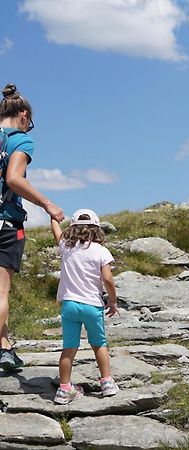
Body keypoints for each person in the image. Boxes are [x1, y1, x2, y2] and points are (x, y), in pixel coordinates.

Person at [0, 83, 64, 371]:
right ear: (24, 116)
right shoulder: (20, 140)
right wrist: (47, 204)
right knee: (0, 293)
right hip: (6, 222)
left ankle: (5, 347)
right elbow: (14, 178)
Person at [50, 209, 119, 404]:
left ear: (72, 228)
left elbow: (56, 232)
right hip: (92, 305)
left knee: (69, 348)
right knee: (99, 344)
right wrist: (112, 301)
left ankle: (64, 390)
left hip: (70, 305)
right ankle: (107, 383)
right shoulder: (101, 251)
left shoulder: (66, 246)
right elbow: (107, 279)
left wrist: (53, 217)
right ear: (97, 229)